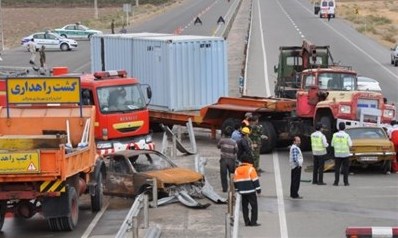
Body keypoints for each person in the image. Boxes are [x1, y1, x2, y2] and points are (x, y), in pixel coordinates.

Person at [233, 154, 261, 227]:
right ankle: (253, 222)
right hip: (251, 191)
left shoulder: (237, 170)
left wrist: (237, 190)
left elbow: (235, 181)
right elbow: (255, 180)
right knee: (254, 206)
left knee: (245, 207)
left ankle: (246, 221)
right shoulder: (251, 169)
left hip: (242, 192)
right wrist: (258, 190)